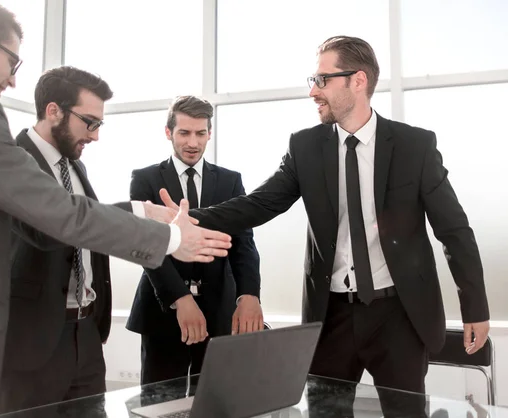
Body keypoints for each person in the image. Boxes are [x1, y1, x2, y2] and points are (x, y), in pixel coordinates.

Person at [0, 1, 231, 417]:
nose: (11, 79)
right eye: (11, 60)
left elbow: (51, 212)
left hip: (40, 334)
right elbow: (56, 216)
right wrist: (170, 238)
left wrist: (138, 211)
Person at [160, 36, 490, 417]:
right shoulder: (305, 147)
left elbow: (454, 230)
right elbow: (260, 204)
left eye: (322, 80)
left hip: (399, 315)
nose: (312, 91)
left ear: (358, 81)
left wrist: (475, 308)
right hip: (331, 315)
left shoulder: (414, 146)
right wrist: (190, 219)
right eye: (312, 80)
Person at [0, 66, 119, 413]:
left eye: (99, 125)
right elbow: (47, 231)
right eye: (89, 122)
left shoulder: (76, 166)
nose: (95, 136)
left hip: (86, 335)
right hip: (29, 342)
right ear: (54, 111)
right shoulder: (9, 159)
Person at [126, 96, 263, 385]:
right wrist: (181, 299)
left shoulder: (230, 181)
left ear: (210, 133)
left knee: (216, 403)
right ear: (168, 132)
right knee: (159, 406)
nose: (193, 142)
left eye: (201, 133)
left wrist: (249, 295)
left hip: (218, 311)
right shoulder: (145, 178)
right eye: (184, 133)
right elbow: (146, 246)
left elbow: (244, 244)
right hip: (163, 311)